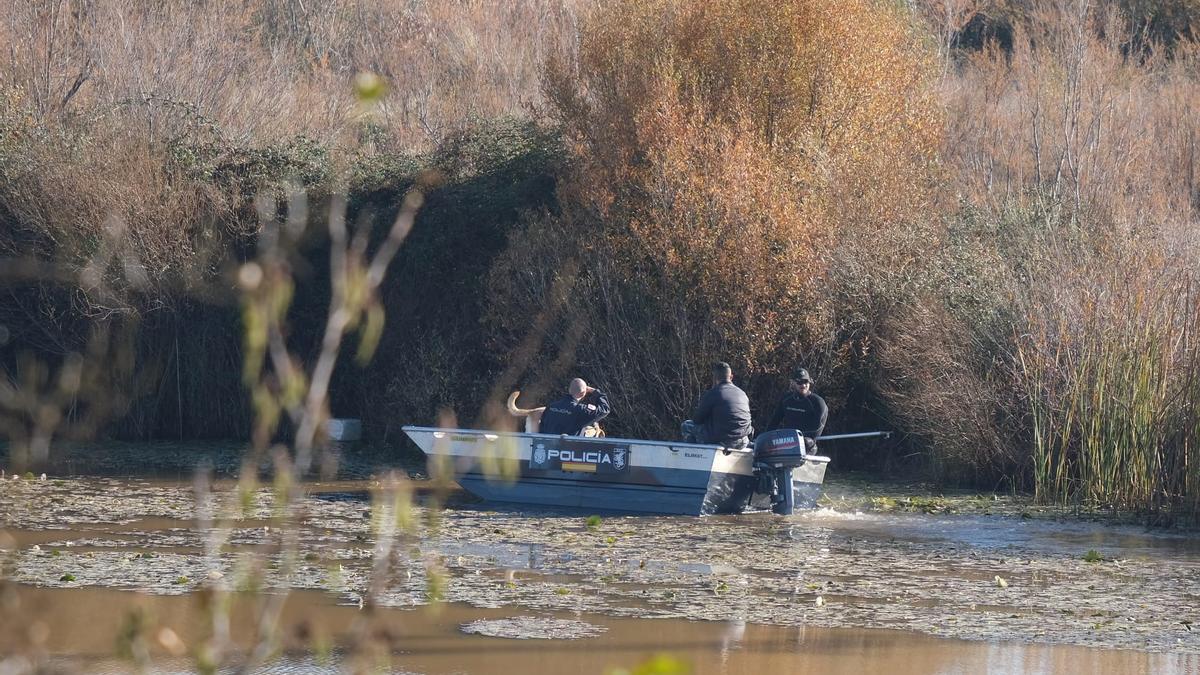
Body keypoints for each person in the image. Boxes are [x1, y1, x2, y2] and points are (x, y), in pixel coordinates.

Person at [681, 362, 754, 449]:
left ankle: (694, 457)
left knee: (686, 425)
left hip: (721, 441)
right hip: (742, 441)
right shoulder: (742, 394)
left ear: (715, 378)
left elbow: (697, 420)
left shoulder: (713, 393)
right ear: (731, 377)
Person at [766, 367, 828, 450]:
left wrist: (798, 440)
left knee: (806, 442)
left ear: (810, 382)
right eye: (799, 382)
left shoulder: (818, 402)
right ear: (793, 383)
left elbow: (817, 431)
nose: (803, 385)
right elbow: (774, 422)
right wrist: (765, 438)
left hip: (806, 445)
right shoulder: (786, 399)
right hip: (786, 443)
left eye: (806, 382)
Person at [538, 378, 611, 436]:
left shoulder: (551, 407)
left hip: (548, 450)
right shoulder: (581, 410)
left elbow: (542, 428)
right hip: (569, 451)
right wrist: (596, 392)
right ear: (583, 393)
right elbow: (605, 409)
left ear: (569, 390)